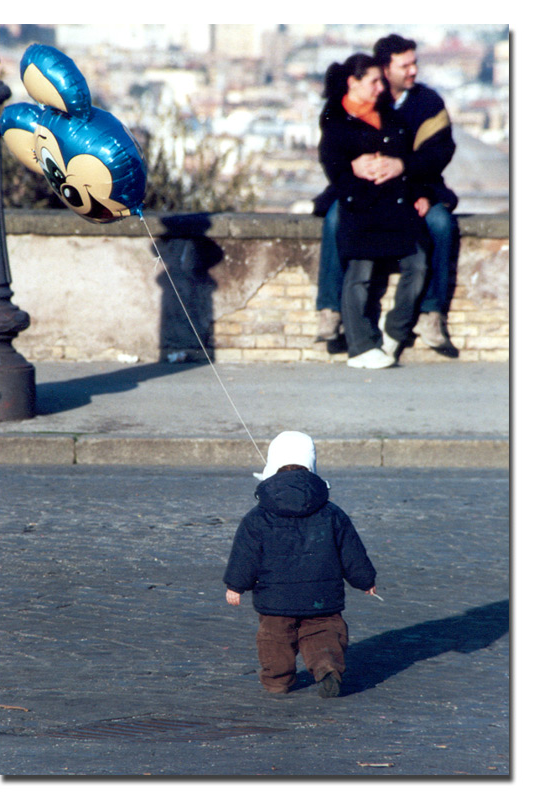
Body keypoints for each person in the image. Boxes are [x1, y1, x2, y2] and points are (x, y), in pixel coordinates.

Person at [315, 34, 459, 358]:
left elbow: (439, 153)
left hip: (414, 190)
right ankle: (330, 309)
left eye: (414, 63)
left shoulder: (427, 103)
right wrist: (353, 166)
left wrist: (403, 167)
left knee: (441, 224)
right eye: (405, 65)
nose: (414, 71)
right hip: (363, 192)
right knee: (336, 217)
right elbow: (332, 150)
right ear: (384, 68)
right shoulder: (358, 103)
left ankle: (431, 312)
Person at [223, 431, 377, 697]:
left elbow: (245, 554)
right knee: (325, 632)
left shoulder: (258, 516)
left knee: (275, 639)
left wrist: (235, 586)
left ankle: (277, 680)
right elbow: (351, 551)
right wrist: (365, 580)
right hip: (322, 595)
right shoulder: (331, 512)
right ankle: (327, 666)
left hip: (275, 597)